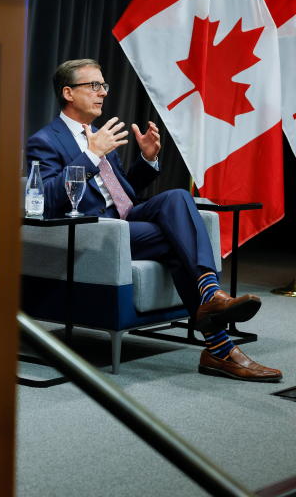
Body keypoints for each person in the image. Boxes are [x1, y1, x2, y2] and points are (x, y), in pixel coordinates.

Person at [26, 58, 282, 382]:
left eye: (104, 85)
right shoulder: (47, 140)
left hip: (127, 219)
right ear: (68, 92)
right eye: (94, 85)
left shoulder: (99, 135)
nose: (102, 93)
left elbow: (124, 192)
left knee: (177, 197)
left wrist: (147, 160)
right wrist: (90, 155)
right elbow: (45, 201)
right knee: (179, 241)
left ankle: (210, 300)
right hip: (98, 233)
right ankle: (220, 344)